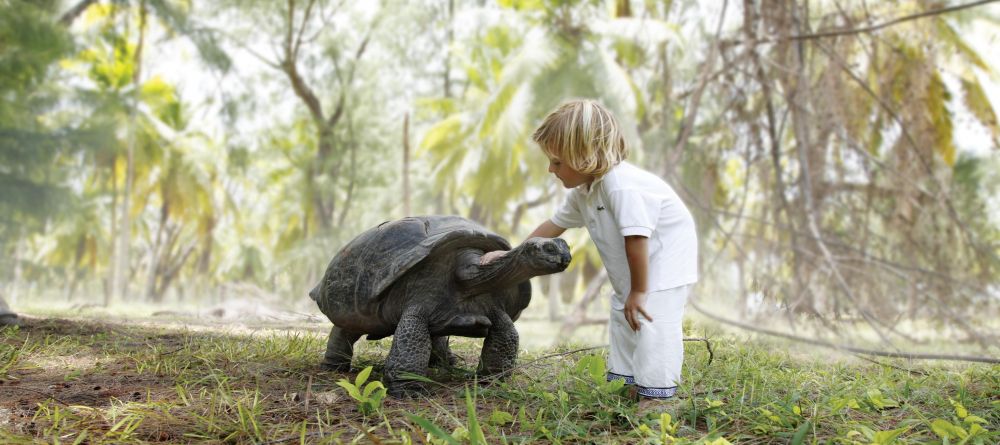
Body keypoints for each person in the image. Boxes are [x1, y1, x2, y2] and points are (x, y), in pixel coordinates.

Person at [481, 99, 698, 413]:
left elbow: (637, 237)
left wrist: (639, 291)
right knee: (623, 316)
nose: (550, 170)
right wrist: (511, 256)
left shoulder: (620, 185)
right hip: (636, 272)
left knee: (652, 322)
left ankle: (658, 398)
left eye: (557, 162)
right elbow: (552, 226)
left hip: (664, 264)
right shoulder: (584, 193)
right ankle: (628, 383)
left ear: (585, 156)